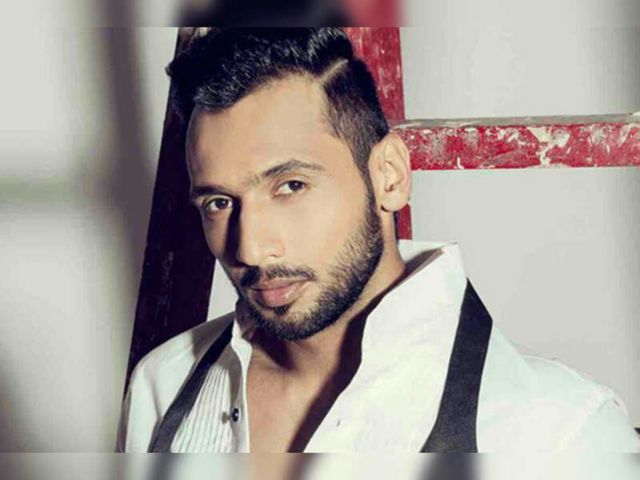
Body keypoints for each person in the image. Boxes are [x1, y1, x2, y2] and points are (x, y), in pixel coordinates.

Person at [117, 28, 639, 453]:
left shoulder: (560, 435)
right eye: (218, 202)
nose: (250, 249)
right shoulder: (162, 386)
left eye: (291, 186)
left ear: (389, 175)